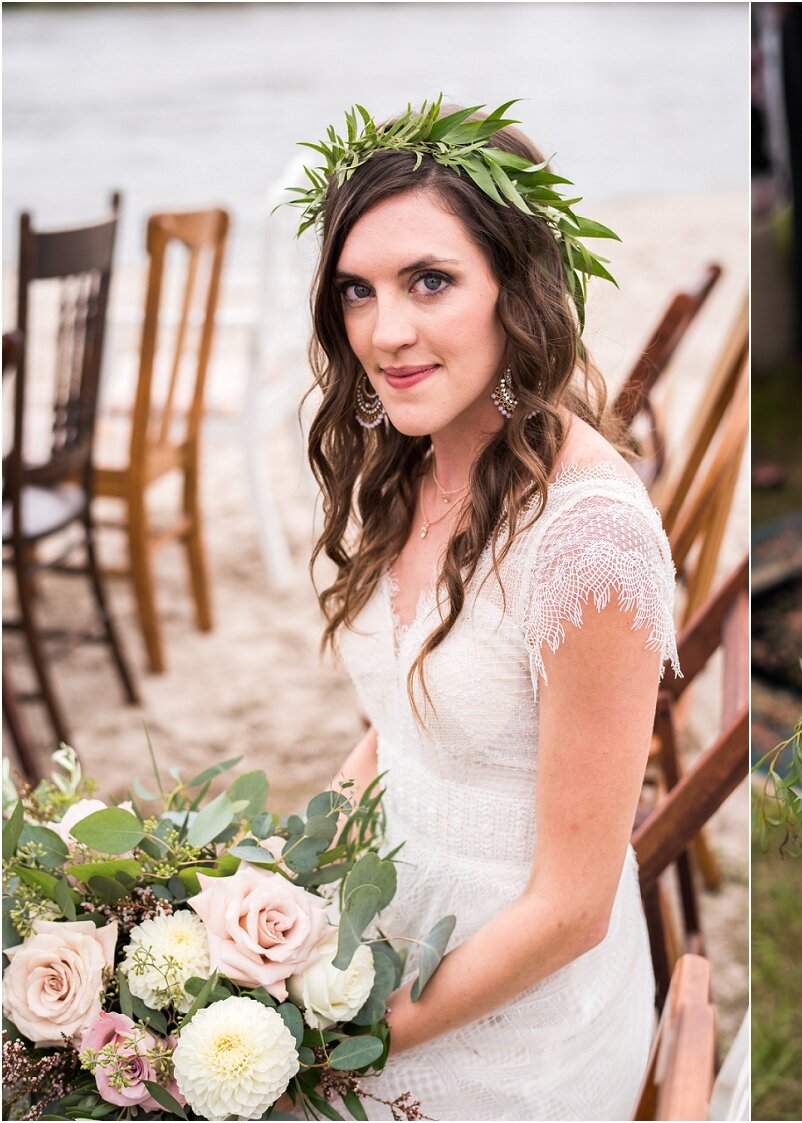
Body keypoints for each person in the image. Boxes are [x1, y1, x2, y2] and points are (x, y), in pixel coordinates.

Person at [297, 101, 679, 1120]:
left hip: (520, 1013)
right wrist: (288, 883)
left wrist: (339, 1036)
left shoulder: (588, 542)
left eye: (431, 281)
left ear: (519, 287)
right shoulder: (408, 467)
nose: (387, 332)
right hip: (388, 918)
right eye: (358, 291)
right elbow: (399, 730)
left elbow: (570, 909)